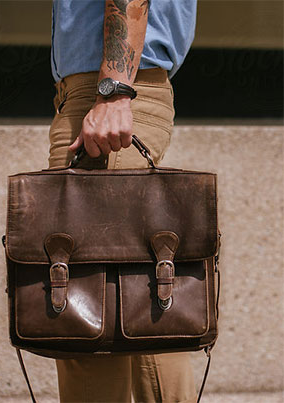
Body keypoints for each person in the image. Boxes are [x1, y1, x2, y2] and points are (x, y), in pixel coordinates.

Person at [49, 0, 198, 401]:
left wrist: (113, 90)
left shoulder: (113, 92)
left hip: (112, 88)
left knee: (87, 307)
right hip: (112, 87)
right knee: (138, 296)